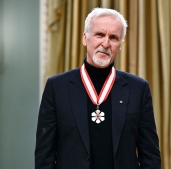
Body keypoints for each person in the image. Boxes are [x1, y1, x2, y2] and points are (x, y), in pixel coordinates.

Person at [35, 7, 161, 169]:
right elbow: (44, 155)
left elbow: (150, 154)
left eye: (114, 37)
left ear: (120, 45)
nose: (106, 43)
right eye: (99, 35)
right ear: (85, 38)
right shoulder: (57, 87)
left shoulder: (138, 89)